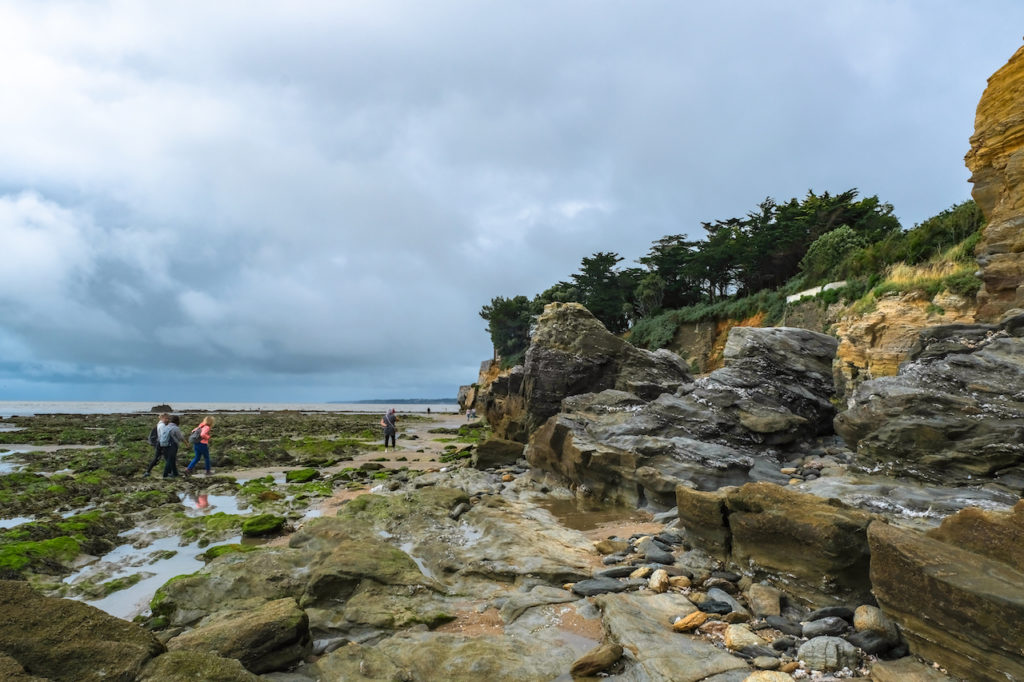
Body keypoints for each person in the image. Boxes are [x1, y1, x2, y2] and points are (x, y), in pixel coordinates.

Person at [143, 413, 168, 478]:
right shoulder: (162, 425)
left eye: (167, 418)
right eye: (166, 418)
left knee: (157, 458)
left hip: (159, 443)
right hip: (162, 444)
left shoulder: (159, 424)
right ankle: (169, 473)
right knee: (166, 458)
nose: (167, 420)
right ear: (162, 418)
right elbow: (163, 435)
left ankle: (148, 472)